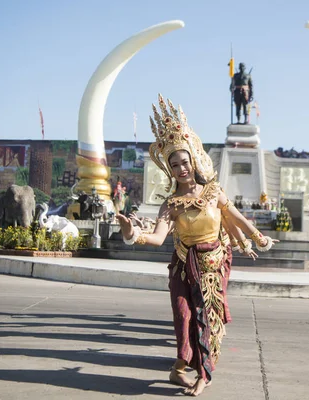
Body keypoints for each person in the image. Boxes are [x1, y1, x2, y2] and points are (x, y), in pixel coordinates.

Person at [116, 95, 278, 397]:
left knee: (204, 317)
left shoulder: (213, 191)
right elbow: (157, 238)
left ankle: (204, 375)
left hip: (212, 265)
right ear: (169, 169)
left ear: (194, 161)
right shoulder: (171, 204)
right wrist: (130, 234)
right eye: (174, 164)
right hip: (182, 267)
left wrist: (258, 239)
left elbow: (236, 218)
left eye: (185, 162)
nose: (181, 168)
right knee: (183, 316)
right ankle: (179, 367)